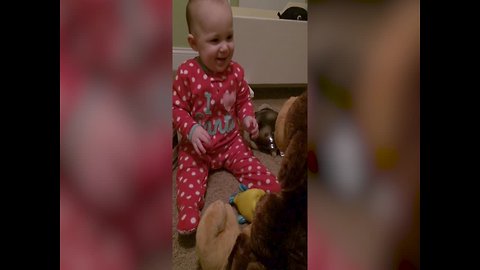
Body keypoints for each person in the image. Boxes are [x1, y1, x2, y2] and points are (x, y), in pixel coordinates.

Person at [172, 0, 281, 234]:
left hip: (231, 143)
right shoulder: (186, 73)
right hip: (197, 148)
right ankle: (189, 210)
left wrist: (248, 118)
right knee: (188, 176)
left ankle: (277, 194)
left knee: (257, 168)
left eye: (229, 37)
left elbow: (243, 101)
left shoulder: (236, 72)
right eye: (214, 40)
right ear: (194, 43)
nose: (224, 47)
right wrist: (191, 129)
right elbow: (176, 109)